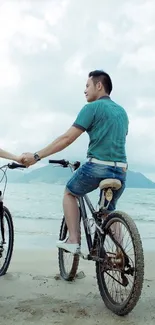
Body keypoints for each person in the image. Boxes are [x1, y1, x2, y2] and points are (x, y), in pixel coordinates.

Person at [22, 70, 129, 254]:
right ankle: (120, 253)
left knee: (70, 192)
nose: (85, 90)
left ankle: (73, 240)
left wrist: (37, 156)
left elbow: (67, 139)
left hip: (97, 167)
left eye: (87, 86)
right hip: (121, 170)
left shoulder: (92, 108)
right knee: (108, 212)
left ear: (99, 86)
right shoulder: (122, 112)